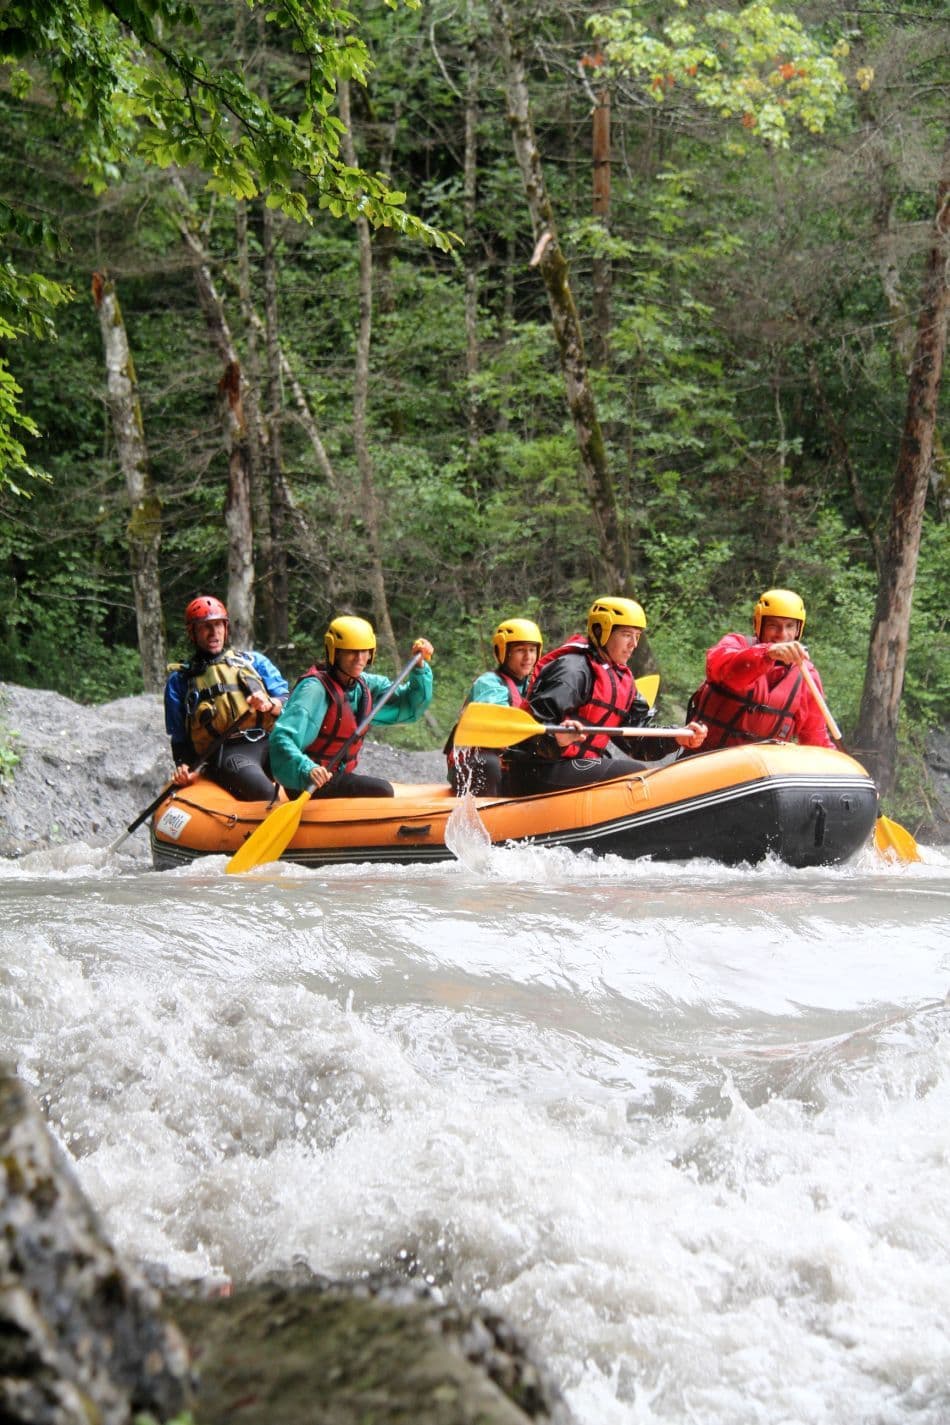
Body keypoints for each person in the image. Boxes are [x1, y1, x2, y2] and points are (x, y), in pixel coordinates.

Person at [508, 596, 707, 795]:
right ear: (600, 631)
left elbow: (636, 741)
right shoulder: (573, 671)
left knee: (628, 769)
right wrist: (557, 739)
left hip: (573, 764)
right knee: (632, 774)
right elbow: (530, 734)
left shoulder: (623, 681)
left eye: (637, 635)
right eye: (627, 634)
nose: (634, 644)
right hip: (536, 768)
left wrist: (677, 737)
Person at [269, 615, 434, 799]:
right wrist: (308, 769)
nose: (359, 658)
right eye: (351, 652)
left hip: (336, 777)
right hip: (307, 782)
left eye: (365, 651)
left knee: (376, 788)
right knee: (382, 790)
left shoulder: (365, 686)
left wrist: (419, 668)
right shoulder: (313, 690)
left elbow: (409, 705)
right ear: (335, 652)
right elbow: (281, 738)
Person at [164, 595, 289, 801]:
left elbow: (286, 697)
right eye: (206, 627)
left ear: (226, 627)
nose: (214, 633)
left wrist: (270, 705)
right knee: (266, 794)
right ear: (193, 632)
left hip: (270, 742)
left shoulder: (253, 661)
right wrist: (184, 766)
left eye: (218, 625)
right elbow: (179, 738)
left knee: (309, 779)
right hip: (227, 752)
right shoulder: (180, 681)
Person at [686, 587, 835, 751]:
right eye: (773, 625)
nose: (782, 635)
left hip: (761, 773)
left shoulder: (807, 676)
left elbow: (816, 739)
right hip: (705, 761)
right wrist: (767, 653)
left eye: (790, 626)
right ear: (759, 624)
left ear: (798, 629)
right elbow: (725, 671)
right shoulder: (734, 644)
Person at [445, 617, 543, 795]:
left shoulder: (534, 685)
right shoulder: (489, 683)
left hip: (505, 762)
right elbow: (495, 725)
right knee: (489, 764)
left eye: (532, 650)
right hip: (469, 761)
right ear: (504, 652)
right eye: (521, 650)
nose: (528, 657)